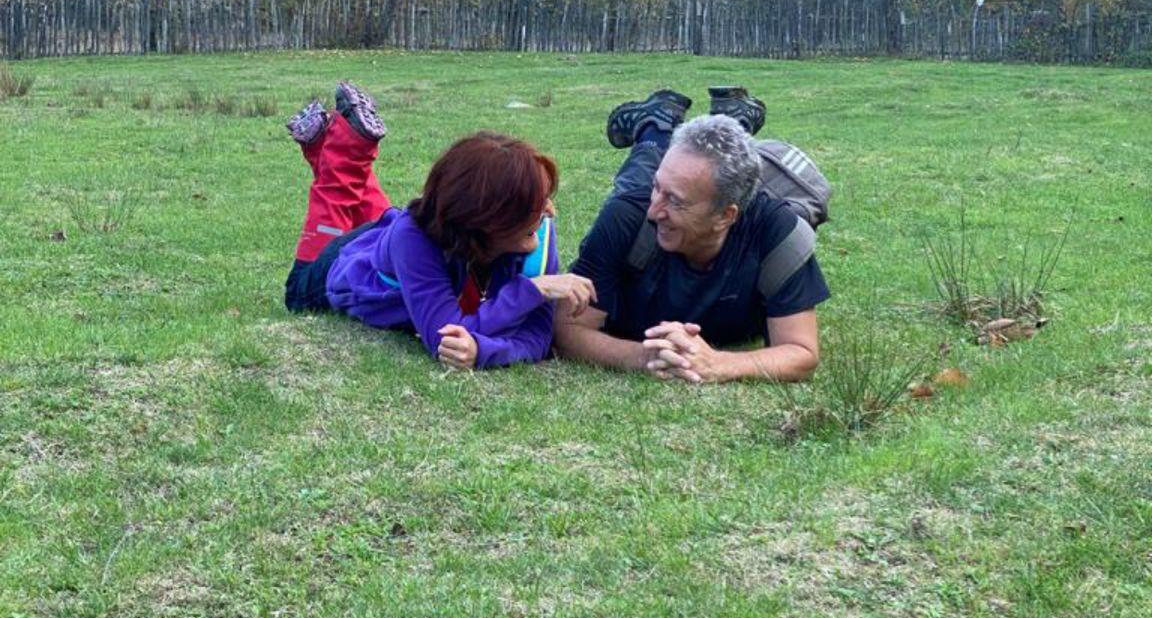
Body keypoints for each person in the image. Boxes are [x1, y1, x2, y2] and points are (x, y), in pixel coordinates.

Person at [283, 81, 595, 369]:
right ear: (488, 218)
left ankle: (336, 144)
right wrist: (531, 291)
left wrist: (483, 350)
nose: (550, 211)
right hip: (353, 262)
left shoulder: (535, 234)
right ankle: (335, 148)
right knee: (296, 292)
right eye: (534, 204)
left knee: (393, 227)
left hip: (396, 240)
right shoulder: (414, 239)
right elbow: (445, 335)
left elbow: (537, 338)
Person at [554, 84, 829, 385]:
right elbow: (568, 331)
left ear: (727, 216)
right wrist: (646, 357)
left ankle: (733, 122)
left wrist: (719, 364)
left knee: (710, 171)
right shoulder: (629, 217)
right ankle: (654, 124)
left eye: (675, 201)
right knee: (639, 174)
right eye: (658, 190)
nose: (654, 211)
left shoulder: (775, 230)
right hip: (644, 191)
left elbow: (802, 353)